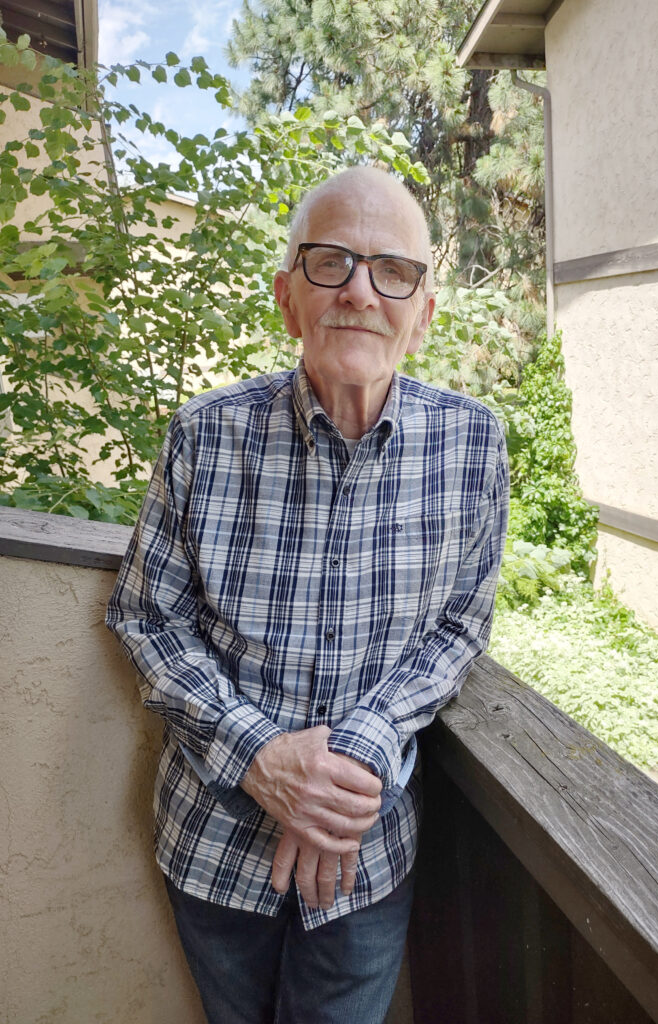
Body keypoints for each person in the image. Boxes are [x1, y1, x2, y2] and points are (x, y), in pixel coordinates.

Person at [106, 165, 509, 1024]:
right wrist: (258, 755)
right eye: (331, 262)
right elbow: (146, 615)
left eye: (392, 271)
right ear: (288, 298)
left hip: (368, 852)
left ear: (424, 314)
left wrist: (358, 749)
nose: (361, 291)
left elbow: (459, 628)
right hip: (213, 843)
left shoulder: (474, 446)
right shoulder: (204, 436)